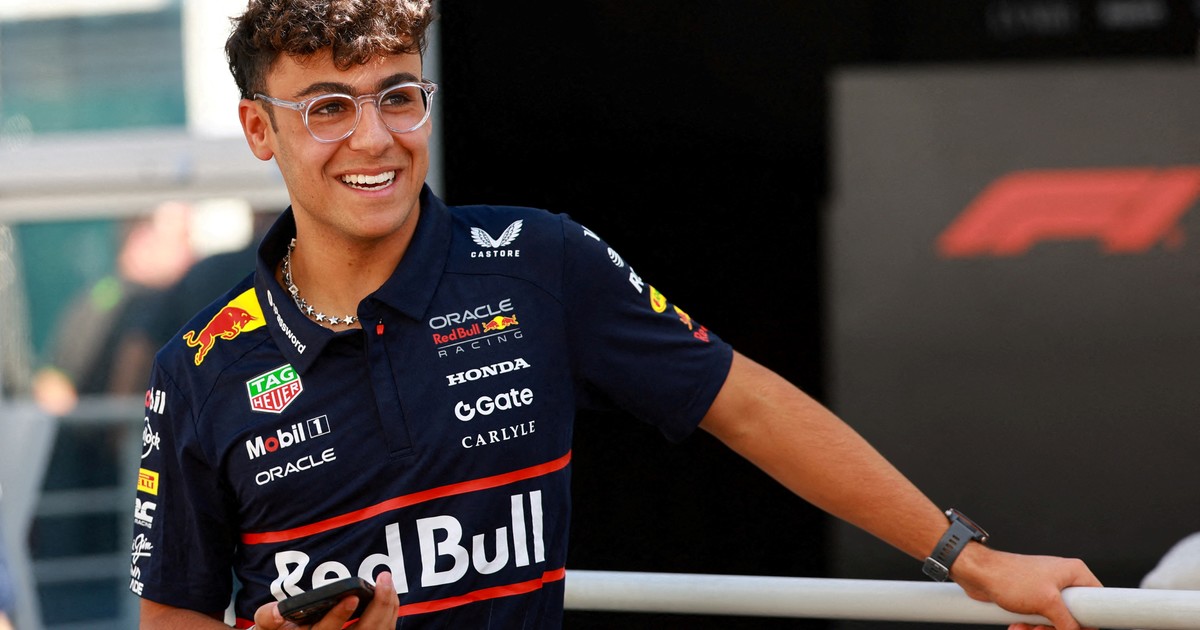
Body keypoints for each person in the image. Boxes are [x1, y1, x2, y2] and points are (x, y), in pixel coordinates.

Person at [131, 2, 1102, 629]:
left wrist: (969, 559)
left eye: (398, 96)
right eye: (328, 108)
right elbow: (172, 618)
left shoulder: (538, 261)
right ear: (259, 129)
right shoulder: (198, 371)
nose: (375, 138)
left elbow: (749, 405)